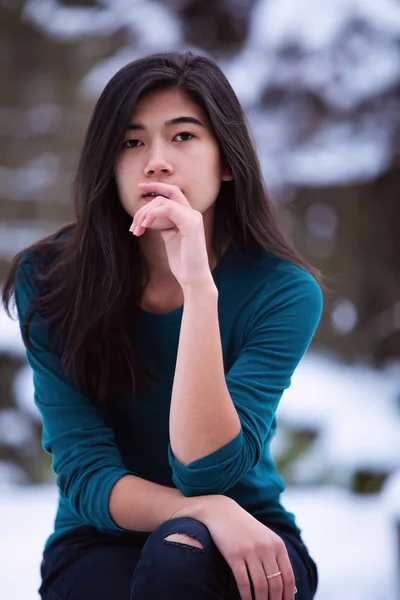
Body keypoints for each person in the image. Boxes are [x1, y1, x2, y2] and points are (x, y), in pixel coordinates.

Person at [2, 51, 323, 600]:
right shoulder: (51, 280)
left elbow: (206, 471)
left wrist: (198, 288)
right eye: (131, 142)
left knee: (180, 558)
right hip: (101, 536)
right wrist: (198, 510)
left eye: (182, 137)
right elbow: (84, 474)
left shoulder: (283, 291)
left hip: (248, 537)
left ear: (227, 159)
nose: (156, 162)